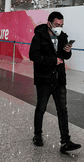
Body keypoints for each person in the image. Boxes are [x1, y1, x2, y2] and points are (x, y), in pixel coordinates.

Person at [29, 11, 81, 153]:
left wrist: (67, 50)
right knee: (41, 108)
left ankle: (66, 141)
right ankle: (37, 135)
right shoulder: (39, 36)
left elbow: (65, 56)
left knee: (63, 110)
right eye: (57, 24)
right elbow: (33, 55)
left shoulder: (63, 36)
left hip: (59, 79)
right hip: (44, 79)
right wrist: (52, 61)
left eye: (61, 25)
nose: (59, 27)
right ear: (49, 23)